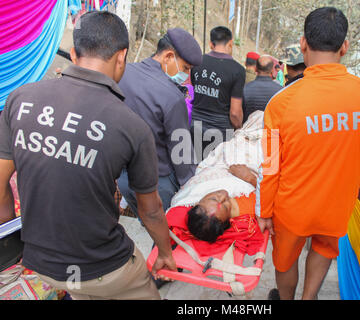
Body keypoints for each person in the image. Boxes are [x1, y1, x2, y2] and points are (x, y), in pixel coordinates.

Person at [0, 11, 176, 300]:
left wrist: (13, 243)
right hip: (103, 267)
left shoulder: (20, 98)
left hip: (38, 264)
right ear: (122, 57)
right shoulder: (132, 126)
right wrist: (166, 252)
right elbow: (151, 210)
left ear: (72, 53)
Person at [257, 7, 360, 300]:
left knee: (285, 260)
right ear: (344, 47)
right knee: (324, 249)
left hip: (291, 208)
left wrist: (265, 212)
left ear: (303, 43)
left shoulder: (281, 102)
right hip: (336, 205)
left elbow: (270, 166)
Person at [117, 28, 202, 213]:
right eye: (186, 68)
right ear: (168, 56)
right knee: (165, 234)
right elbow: (181, 152)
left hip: (125, 177)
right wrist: (190, 188)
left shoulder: (123, 73)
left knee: (146, 224)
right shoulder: (172, 96)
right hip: (158, 183)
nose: (187, 76)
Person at [190, 26, 246, 161]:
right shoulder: (237, 70)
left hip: (195, 127)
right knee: (215, 175)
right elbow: (234, 113)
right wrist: (239, 128)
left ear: (211, 43)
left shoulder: (196, 62)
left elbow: (191, 91)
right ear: (230, 43)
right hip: (220, 133)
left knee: (194, 171)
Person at [187, 164, 257, 242]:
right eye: (226, 207)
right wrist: (251, 179)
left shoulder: (195, 191)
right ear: (228, 221)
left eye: (214, 199)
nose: (223, 196)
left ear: (197, 203)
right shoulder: (252, 209)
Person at [243, 55, 282, 122]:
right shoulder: (280, 90)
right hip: (271, 131)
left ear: (255, 68)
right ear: (272, 70)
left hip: (250, 130)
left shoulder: (245, 89)